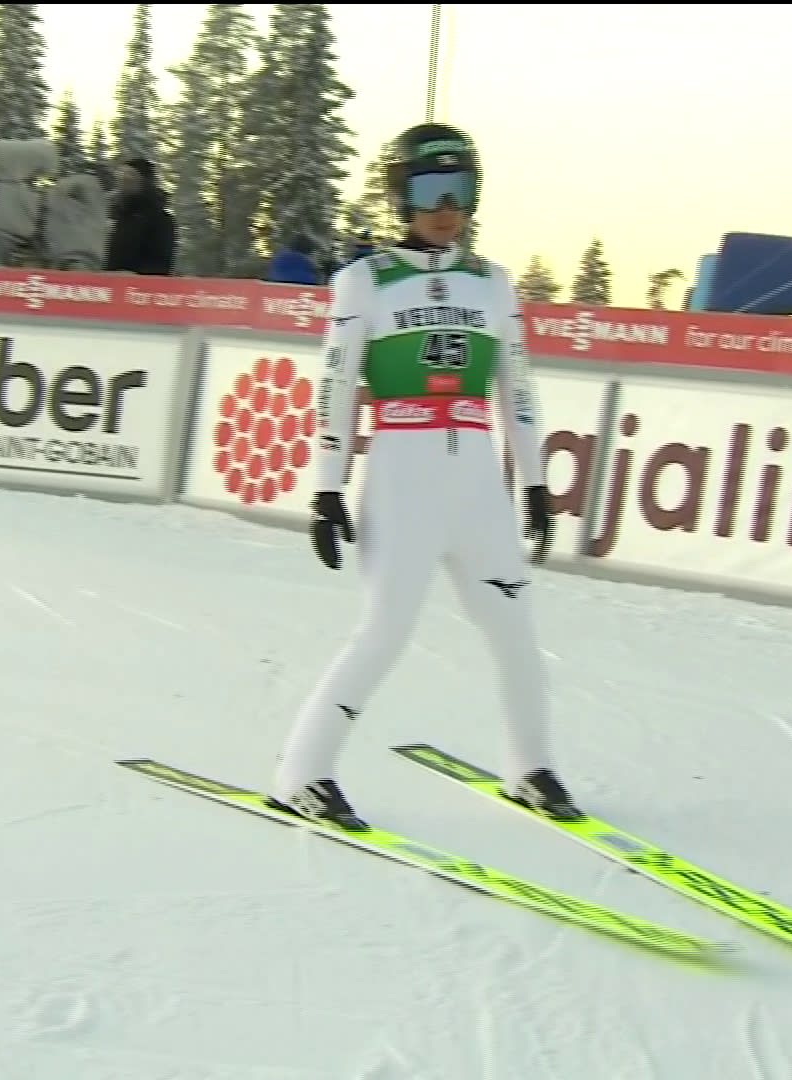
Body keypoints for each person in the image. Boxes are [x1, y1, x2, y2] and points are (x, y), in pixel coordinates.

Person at [266, 122, 578, 831]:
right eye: (431, 189)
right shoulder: (363, 281)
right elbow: (335, 388)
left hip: (476, 482)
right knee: (385, 632)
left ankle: (531, 767)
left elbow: (517, 388)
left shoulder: (492, 283)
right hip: (403, 478)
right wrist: (326, 488)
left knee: (515, 632)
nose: (445, 207)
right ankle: (302, 772)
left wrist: (534, 481)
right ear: (402, 196)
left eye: (459, 189)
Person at [103, 156, 176, 275]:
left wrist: (133, 276)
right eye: (121, 173)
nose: (123, 178)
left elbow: (161, 264)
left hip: (136, 284)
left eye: (130, 174)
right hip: (104, 282)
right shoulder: (115, 215)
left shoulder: (160, 220)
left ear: (144, 181)